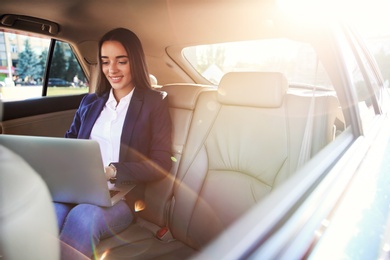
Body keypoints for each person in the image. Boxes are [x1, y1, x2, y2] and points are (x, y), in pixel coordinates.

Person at [54, 28, 172, 258]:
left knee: (83, 217)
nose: (112, 70)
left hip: (120, 197)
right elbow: (68, 146)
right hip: (77, 189)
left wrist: (112, 171)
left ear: (135, 62)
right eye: (105, 62)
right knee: (47, 211)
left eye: (122, 61)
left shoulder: (153, 104)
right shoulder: (90, 102)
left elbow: (162, 162)